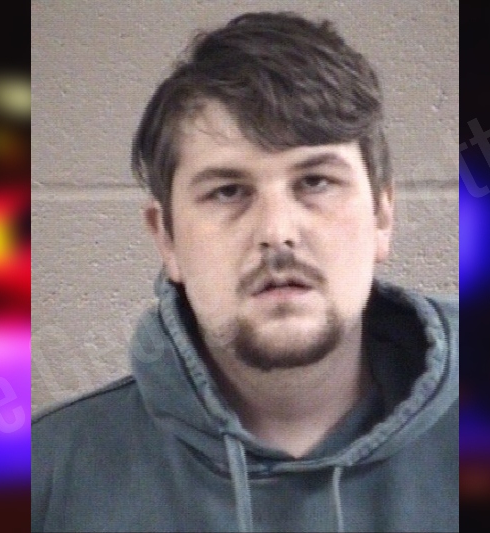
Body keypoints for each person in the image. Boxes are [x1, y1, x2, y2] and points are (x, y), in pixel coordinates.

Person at [32, 11, 458, 532]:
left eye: (316, 182)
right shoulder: (47, 476)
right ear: (167, 239)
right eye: (228, 191)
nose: (277, 232)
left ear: (382, 217)